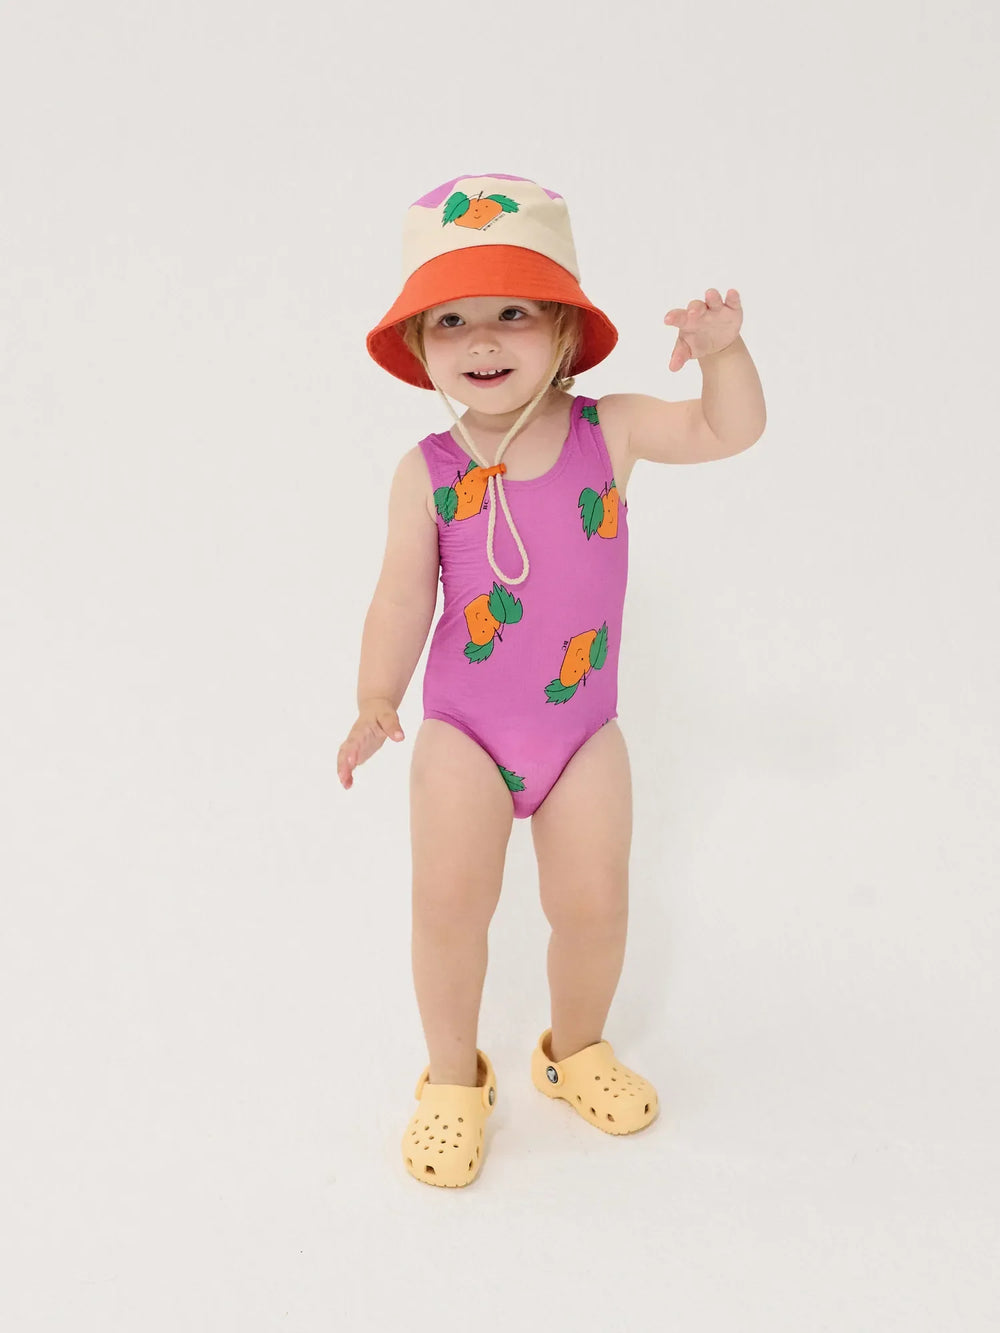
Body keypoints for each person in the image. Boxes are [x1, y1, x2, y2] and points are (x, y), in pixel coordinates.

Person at [337, 172, 765, 1188]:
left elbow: (726, 431)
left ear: (565, 330)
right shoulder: (428, 469)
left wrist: (723, 355)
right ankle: (452, 1080)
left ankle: (575, 1050)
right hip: (464, 735)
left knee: (595, 906)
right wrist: (374, 696)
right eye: (452, 320)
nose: (482, 341)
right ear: (421, 344)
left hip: (582, 736)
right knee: (449, 907)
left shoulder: (606, 431)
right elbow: (401, 596)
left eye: (513, 314)